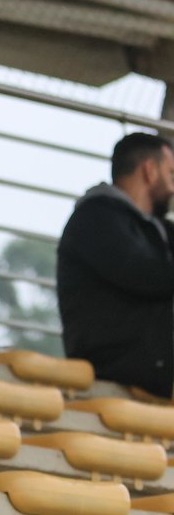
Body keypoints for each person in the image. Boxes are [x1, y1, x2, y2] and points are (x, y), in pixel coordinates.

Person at [58, 132, 174, 401]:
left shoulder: (157, 229)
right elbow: (148, 275)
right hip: (117, 367)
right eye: (171, 173)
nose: (172, 187)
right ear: (149, 170)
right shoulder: (95, 218)